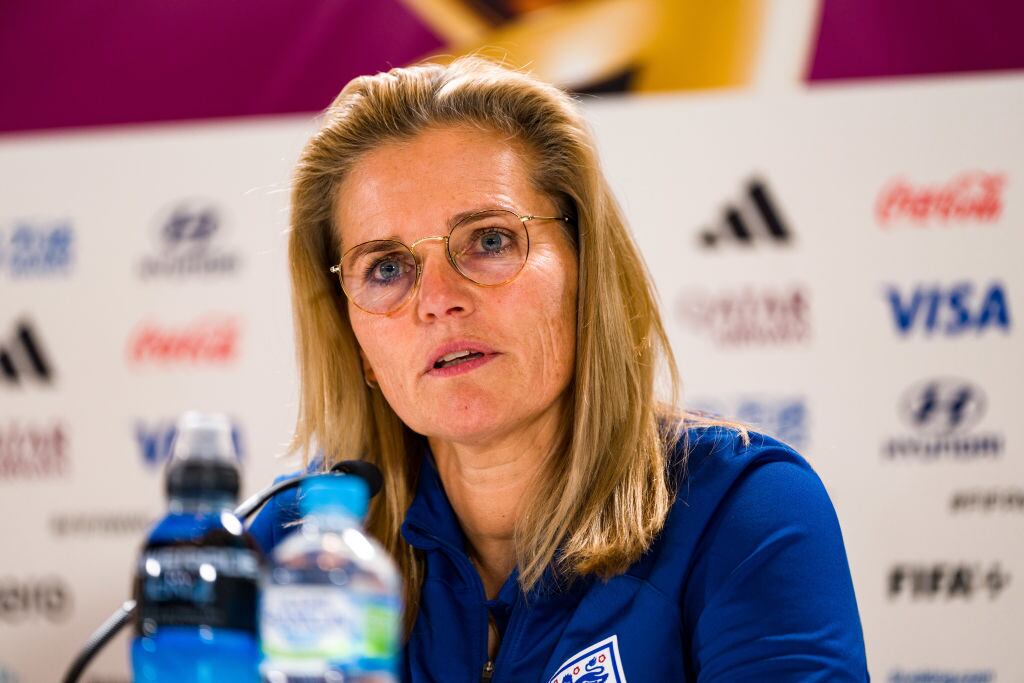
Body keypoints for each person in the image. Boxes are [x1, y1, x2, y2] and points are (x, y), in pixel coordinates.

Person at [250, 56, 869, 681]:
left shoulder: (741, 509)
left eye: (489, 240)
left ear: (586, 272)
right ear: (356, 343)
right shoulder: (297, 547)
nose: (438, 299)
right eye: (386, 268)